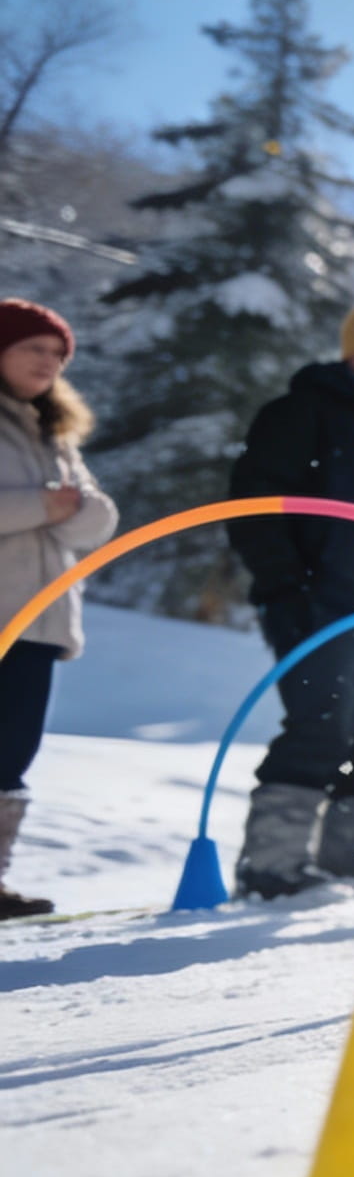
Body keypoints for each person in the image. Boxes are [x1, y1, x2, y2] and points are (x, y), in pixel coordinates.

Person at [226, 303, 354, 898]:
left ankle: (349, 850)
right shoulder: (302, 413)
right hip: (317, 604)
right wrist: (285, 588)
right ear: (353, 349)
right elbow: (255, 503)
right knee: (321, 726)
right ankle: (271, 864)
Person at [0, 301, 118, 918]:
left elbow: (98, 515)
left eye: (57, 354)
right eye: (33, 349)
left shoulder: (57, 434)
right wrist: (40, 508)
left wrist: (70, 509)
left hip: (41, 622)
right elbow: (51, 509)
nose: (48, 363)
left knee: (11, 754)